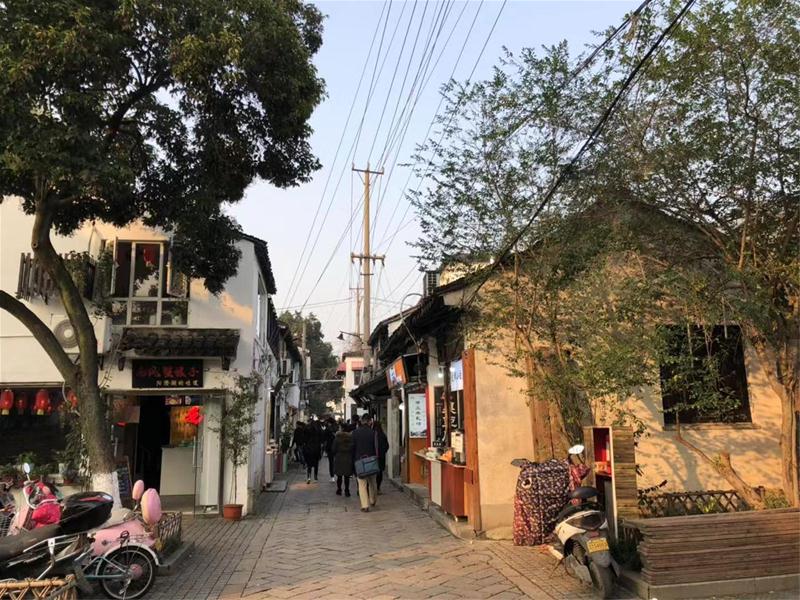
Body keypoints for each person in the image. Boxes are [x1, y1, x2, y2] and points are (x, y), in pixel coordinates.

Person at [351, 414, 378, 512]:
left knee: (362, 484)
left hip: (359, 462)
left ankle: (365, 505)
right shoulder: (373, 433)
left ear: (362, 421)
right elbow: (376, 448)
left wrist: (353, 461)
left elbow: (352, 448)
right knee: (372, 482)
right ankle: (373, 500)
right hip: (372, 461)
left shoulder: (355, 433)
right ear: (370, 421)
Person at [332, 423, 354, 497]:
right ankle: (347, 491)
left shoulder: (337, 437)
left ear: (342, 428)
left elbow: (333, 449)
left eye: (340, 427)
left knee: (339, 476)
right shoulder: (350, 438)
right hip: (348, 458)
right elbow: (353, 447)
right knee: (347, 476)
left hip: (339, 458)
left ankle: (339, 490)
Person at [373, 420, 390, 494]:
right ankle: (378, 487)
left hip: (373, 457)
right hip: (381, 457)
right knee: (380, 472)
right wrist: (383, 452)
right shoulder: (383, 435)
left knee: (372, 472)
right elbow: (387, 446)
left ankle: (372, 488)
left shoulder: (372, 434)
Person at [323, 417, 338, 482]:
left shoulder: (327, 429)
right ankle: (338, 474)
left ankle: (332, 477)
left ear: (329, 422)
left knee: (331, 462)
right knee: (337, 461)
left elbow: (324, 437)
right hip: (337, 447)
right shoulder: (337, 427)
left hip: (330, 447)